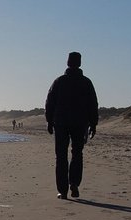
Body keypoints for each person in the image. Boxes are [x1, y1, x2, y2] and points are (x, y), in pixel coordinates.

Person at [45, 52, 99, 199]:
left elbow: (50, 102)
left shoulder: (59, 81)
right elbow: (93, 105)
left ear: (68, 62)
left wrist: (49, 121)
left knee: (61, 156)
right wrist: (93, 124)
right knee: (77, 154)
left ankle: (63, 190)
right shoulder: (86, 82)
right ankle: (74, 183)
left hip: (61, 123)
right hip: (80, 123)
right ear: (80, 63)